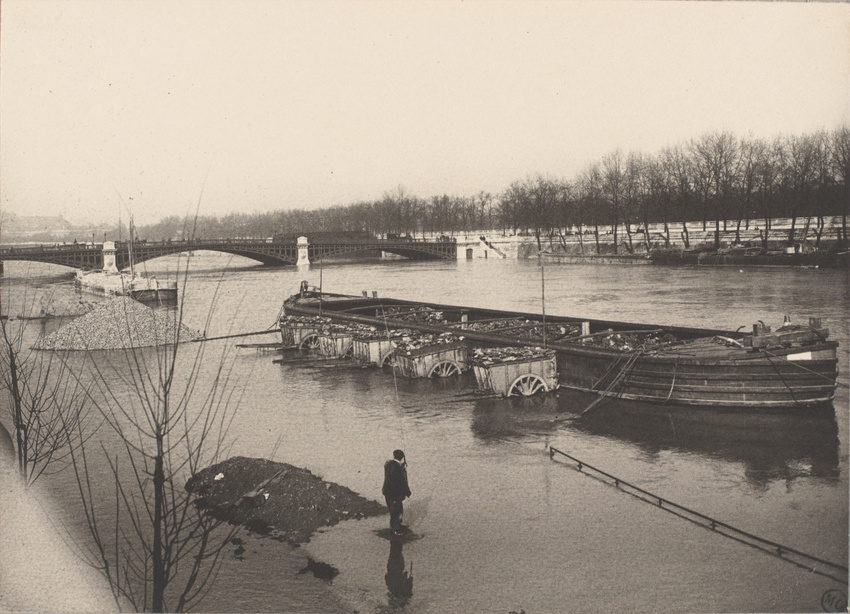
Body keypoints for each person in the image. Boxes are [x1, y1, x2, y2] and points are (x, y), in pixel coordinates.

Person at [382, 449, 411, 535]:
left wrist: (402, 466)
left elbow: (393, 471)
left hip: (388, 491)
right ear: (402, 457)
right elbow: (400, 481)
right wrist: (407, 491)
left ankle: (396, 525)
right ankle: (395, 529)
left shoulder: (390, 464)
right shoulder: (397, 468)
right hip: (394, 493)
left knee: (396, 509)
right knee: (396, 510)